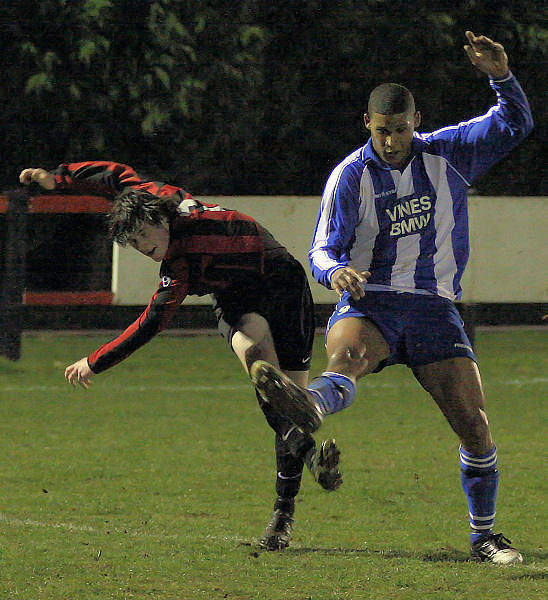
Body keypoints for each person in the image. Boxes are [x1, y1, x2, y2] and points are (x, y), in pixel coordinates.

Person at [250, 31, 533, 564]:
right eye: (382, 131)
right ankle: (309, 405)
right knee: (348, 359)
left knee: (473, 421)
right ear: (367, 125)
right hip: (372, 300)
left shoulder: (447, 155)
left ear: (415, 121)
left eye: (400, 130)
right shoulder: (349, 176)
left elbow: (516, 124)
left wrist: (502, 77)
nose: (391, 141)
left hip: (432, 306)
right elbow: (321, 248)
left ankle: (485, 537)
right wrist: (336, 273)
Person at [19, 161, 343, 551]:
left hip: (284, 283)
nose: (143, 247)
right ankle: (287, 500)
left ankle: (298, 456)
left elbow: (151, 321)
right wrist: (59, 178)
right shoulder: (159, 217)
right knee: (255, 354)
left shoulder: (178, 252)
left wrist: (95, 361)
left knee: (286, 401)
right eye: (134, 243)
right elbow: (114, 175)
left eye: (143, 236)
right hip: (240, 296)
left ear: (157, 219)